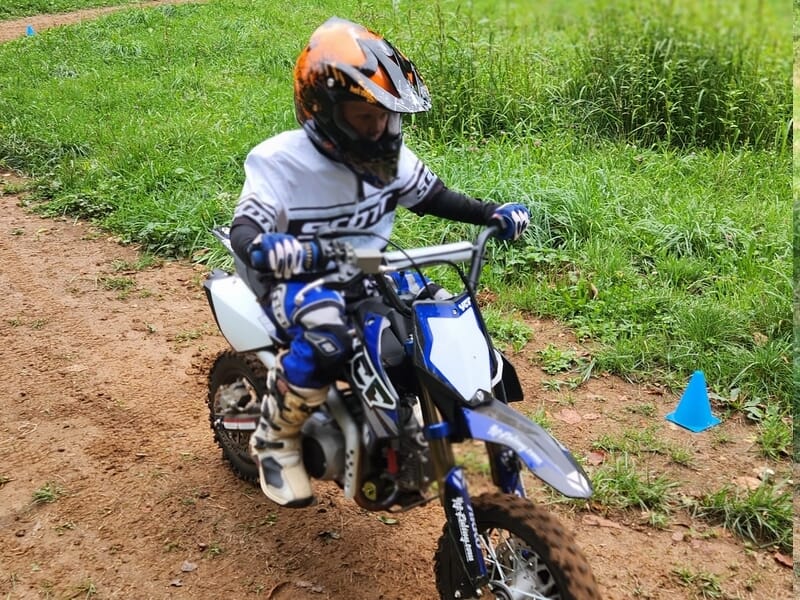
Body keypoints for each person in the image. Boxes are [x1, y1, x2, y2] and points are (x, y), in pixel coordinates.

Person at [229, 16, 530, 507]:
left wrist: (489, 213)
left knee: (427, 316)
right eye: (361, 116)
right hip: (294, 276)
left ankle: (404, 416)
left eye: (385, 116)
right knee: (328, 339)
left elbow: (434, 197)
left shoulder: (391, 157)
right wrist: (267, 246)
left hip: (368, 267)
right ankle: (275, 438)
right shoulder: (279, 162)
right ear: (321, 111)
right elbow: (248, 226)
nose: (377, 127)